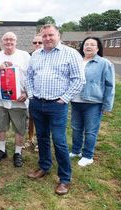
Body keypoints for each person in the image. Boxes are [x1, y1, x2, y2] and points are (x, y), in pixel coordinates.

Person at [26, 24, 85, 195]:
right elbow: (29, 76)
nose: (47, 38)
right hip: (37, 103)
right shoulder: (36, 54)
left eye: (51, 35)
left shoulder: (70, 53)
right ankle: (44, 166)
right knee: (42, 137)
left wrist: (64, 98)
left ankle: (65, 178)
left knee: (59, 141)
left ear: (59, 35)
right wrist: (31, 94)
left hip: (57, 105)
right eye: (44, 36)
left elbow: (79, 80)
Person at [69, 36, 115, 167]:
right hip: (76, 101)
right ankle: (76, 151)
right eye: (86, 44)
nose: (88, 46)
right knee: (76, 128)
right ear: (82, 47)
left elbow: (110, 85)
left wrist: (107, 105)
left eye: (92, 44)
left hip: (93, 103)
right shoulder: (77, 61)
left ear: (98, 48)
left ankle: (88, 155)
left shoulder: (104, 63)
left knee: (90, 131)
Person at [0, 32, 30, 167]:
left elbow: (31, 76)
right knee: (0, 126)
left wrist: (27, 93)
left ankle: (18, 153)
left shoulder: (24, 55)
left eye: (11, 39)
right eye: (6, 39)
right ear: (2, 41)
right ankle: (2, 150)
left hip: (19, 99)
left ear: (16, 41)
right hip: (0, 99)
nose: (9, 42)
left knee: (19, 128)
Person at [25, 34, 43, 150]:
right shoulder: (29, 56)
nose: (37, 45)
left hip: (44, 94)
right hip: (31, 94)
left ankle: (39, 142)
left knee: (41, 121)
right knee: (31, 118)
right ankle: (30, 139)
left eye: (39, 42)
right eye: (35, 43)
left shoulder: (48, 56)